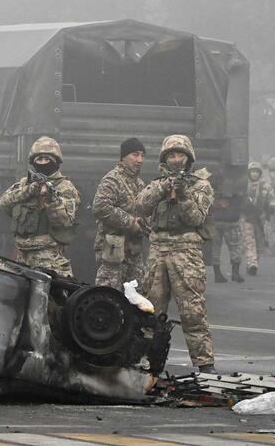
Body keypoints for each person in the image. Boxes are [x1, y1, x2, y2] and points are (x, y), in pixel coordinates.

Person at [135, 134, 216, 374]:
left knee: (193, 310)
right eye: (171, 155)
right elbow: (140, 206)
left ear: (188, 158)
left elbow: (196, 218)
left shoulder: (201, 185)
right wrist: (163, 187)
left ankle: (204, 363)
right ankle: (148, 362)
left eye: (180, 154)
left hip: (186, 251)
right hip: (158, 250)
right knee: (151, 310)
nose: (176, 159)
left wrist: (182, 193)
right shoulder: (157, 183)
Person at [0, 136, 81, 278]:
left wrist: (49, 199)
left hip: (49, 259)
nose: (43, 163)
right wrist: (28, 191)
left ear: (55, 161)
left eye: (46, 159)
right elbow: (4, 203)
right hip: (22, 258)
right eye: (39, 159)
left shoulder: (65, 187)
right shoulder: (26, 183)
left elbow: (64, 221)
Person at [92, 137, 148, 290]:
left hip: (133, 252)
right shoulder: (112, 180)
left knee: (137, 298)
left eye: (142, 155)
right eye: (135, 154)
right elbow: (100, 207)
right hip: (113, 252)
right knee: (108, 296)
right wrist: (130, 223)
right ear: (124, 156)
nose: (140, 160)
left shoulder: (140, 184)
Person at [240, 162, 275, 275]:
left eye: (257, 172)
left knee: (259, 244)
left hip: (261, 219)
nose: (255, 174)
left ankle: (253, 262)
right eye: (253, 171)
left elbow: (273, 199)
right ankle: (252, 264)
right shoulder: (243, 186)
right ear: (249, 173)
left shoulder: (265, 186)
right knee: (249, 241)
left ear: (260, 173)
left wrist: (271, 208)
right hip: (247, 217)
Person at [209, 171, 245, 283]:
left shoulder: (210, 183)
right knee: (235, 247)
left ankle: (218, 275)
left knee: (215, 248)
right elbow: (241, 201)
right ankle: (235, 273)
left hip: (215, 220)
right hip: (231, 221)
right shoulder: (236, 183)